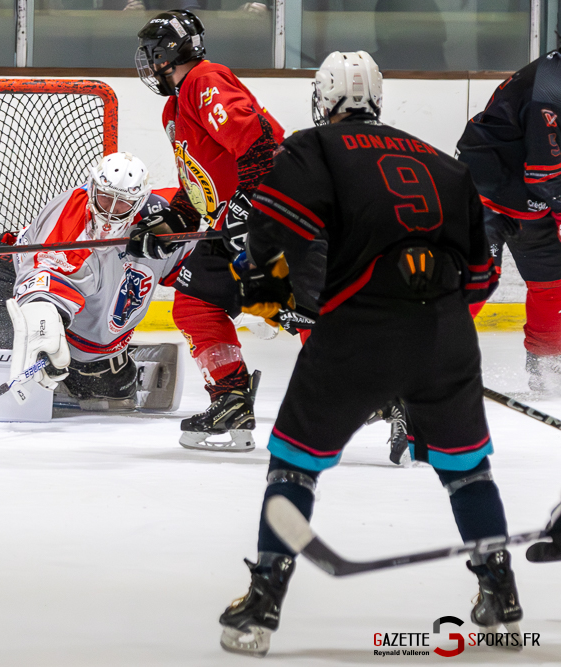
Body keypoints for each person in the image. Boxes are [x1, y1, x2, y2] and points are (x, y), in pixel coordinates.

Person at [218, 51, 517, 657]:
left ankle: (262, 602)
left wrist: (261, 277)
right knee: (467, 469)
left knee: (293, 465)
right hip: (445, 333)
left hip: (356, 331)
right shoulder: (442, 164)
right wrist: (430, 340)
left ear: (323, 100)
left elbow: (268, 243)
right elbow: (481, 280)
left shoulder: (313, 148)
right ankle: (499, 593)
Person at [131, 9, 285, 450]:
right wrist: (170, 223)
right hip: (236, 224)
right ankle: (231, 399)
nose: (147, 62)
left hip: (274, 216)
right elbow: (199, 185)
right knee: (196, 303)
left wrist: (249, 209)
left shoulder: (204, 80)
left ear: (167, 53)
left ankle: (389, 393)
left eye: (151, 53)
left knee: (300, 311)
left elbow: (261, 145)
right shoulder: (173, 108)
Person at [0, 152, 190, 411]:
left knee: (109, 391)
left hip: (80, 299)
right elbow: (43, 291)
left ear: (139, 201)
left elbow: (206, 213)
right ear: (92, 187)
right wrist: (42, 338)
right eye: (106, 196)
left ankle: (99, 362)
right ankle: (71, 363)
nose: (110, 210)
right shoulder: (72, 226)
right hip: (9, 283)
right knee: (12, 369)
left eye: (123, 203)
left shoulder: (163, 217)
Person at [457, 51, 561, 393]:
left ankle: (549, 369)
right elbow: (544, 173)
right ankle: (420, 361)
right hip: (486, 193)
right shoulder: (550, 85)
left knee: (553, 284)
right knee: (473, 280)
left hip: (530, 198)